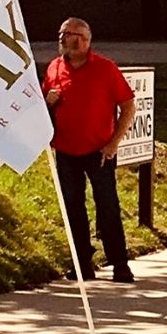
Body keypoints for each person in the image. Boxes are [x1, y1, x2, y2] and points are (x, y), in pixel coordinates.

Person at [43, 18, 136, 282]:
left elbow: (128, 106)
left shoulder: (105, 69)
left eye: (70, 34)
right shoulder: (54, 68)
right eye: (61, 34)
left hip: (100, 151)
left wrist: (113, 143)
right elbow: (41, 108)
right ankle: (82, 263)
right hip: (65, 150)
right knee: (73, 207)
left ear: (86, 40)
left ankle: (119, 263)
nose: (64, 39)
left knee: (107, 206)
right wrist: (48, 102)